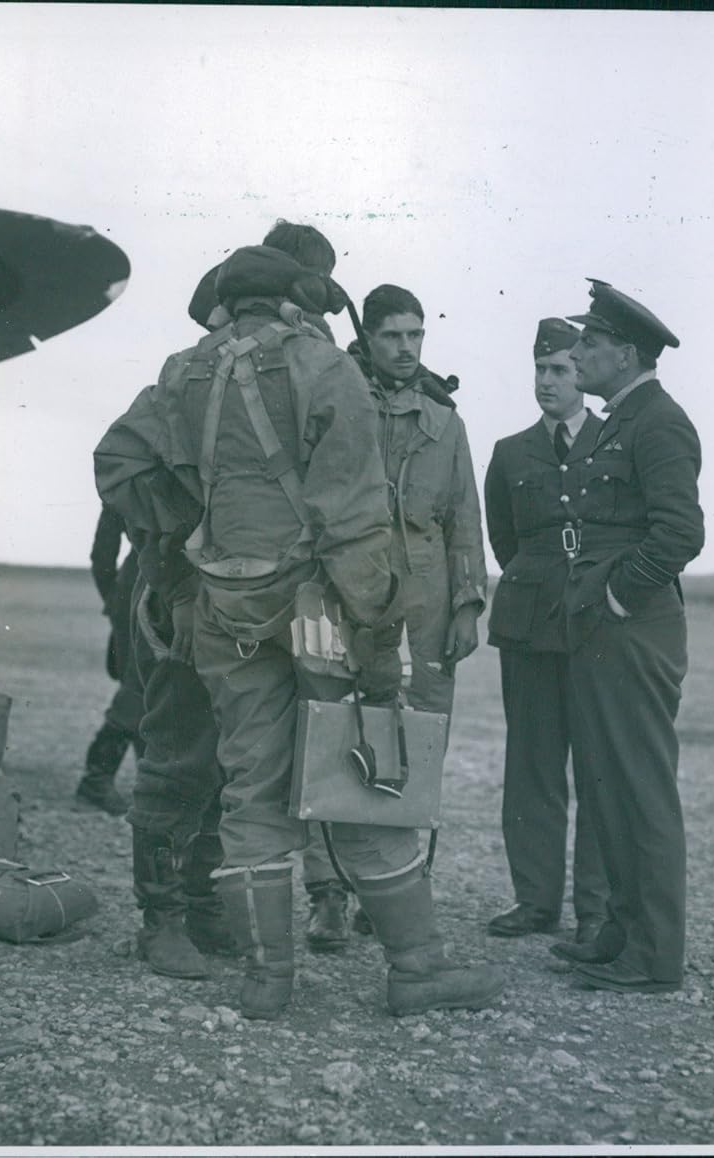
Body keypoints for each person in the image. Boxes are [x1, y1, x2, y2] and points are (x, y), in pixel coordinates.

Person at [95, 245, 502, 1018]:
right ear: (292, 303)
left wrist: (195, 531)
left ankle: (268, 980)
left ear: (228, 303)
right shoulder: (324, 367)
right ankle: (416, 967)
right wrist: (378, 632)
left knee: (251, 785)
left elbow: (118, 463)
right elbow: (353, 518)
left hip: (225, 607)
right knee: (360, 773)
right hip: (320, 609)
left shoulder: (184, 371)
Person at [121, 222, 346, 981]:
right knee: (180, 753)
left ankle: (204, 902)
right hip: (192, 591)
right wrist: (190, 536)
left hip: (264, 597)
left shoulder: (300, 368)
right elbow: (122, 459)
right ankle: (160, 920)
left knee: (240, 762)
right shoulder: (203, 367)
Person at [299, 283, 489, 949]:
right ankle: (327, 892)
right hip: (341, 589)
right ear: (368, 338)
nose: (406, 349)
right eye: (392, 336)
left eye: (416, 335)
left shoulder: (446, 422)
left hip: (426, 601)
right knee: (328, 731)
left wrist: (467, 606)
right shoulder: (337, 402)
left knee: (419, 739)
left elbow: (464, 519)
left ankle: (399, 891)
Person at [547, 279, 704, 995]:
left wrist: (617, 594)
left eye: (591, 342)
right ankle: (621, 932)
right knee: (607, 786)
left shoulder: (659, 422)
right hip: (603, 627)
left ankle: (655, 955)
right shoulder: (622, 420)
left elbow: (680, 533)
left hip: (633, 626)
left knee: (640, 789)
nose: (578, 352)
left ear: (627, 354)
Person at [482, 318, 608, 940]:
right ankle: (535, 901)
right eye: (540, 370)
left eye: (559, 370)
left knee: (599, 766)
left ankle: (597, 908)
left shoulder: (617, 440)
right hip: (530, 624)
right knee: (532, 764)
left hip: (598, 623)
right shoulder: (510, 452)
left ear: (582, 373)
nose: (547, 381)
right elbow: (505, 540)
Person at [74, 505, 143, 815]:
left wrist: (116, 599)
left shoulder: (123, 479)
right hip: (149, 592)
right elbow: (102, 555)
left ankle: (149, 779)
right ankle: (96, 780)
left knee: (148, 688)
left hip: (135, 591)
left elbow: (102, 556)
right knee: (139, 689)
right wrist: (117, 602)